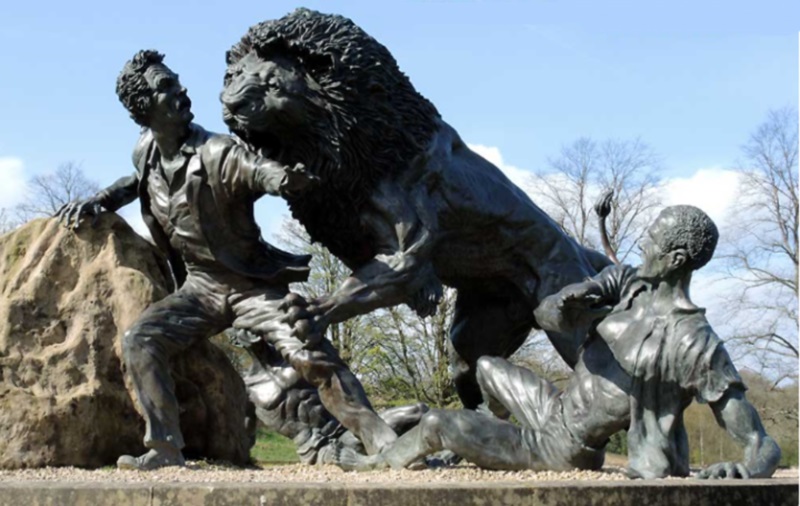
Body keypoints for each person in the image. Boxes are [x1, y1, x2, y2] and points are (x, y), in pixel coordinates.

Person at [56, 50, 397, 470]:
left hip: (249, 285)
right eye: (166, 86)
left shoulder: (217, 152)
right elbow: (137, 182)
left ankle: (380, 440)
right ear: (144, 108)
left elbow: (256, 169)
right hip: (199, 287)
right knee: (140, 340)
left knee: (308, 351)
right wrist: (101, 200)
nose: (180, 90)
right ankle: (165, 448)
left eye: (176, 81)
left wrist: (285, 179)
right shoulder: (145, 150)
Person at [334, 205, 781, 480]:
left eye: (651, 242)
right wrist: (569, 301)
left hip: (564, 448)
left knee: (436, 425)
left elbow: (759, 442)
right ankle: (495, 433)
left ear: (676, 259)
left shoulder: (694, 344)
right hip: (554, 410)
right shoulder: (628, 283)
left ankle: (381, 463)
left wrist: (746, 467)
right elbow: (549, 313)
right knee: (487, 365)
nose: (641, 247)